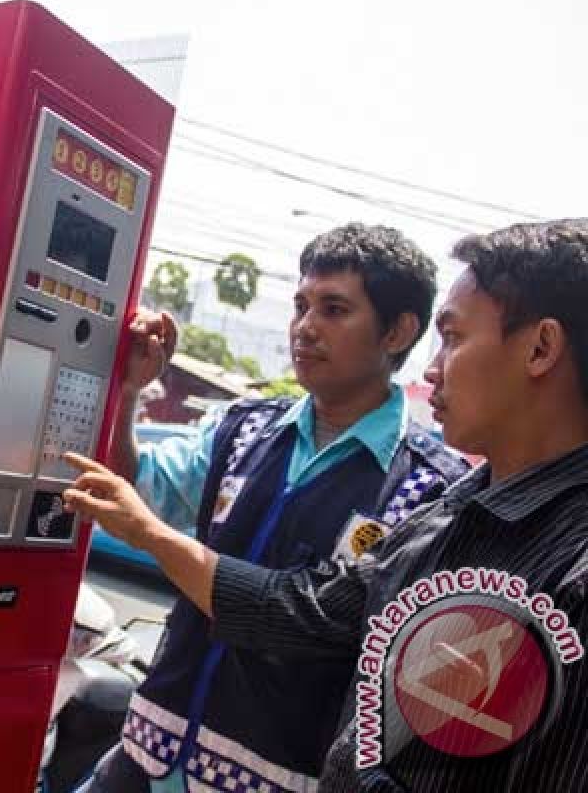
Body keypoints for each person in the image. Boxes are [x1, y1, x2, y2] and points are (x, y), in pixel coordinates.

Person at [65, 219, 588, 792]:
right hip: (147, 756)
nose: (305, 328)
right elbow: (305, 612)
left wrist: (152, 537)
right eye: (300, 305)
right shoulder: (446, 511)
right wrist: (128, 396)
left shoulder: (429, 487)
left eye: (334, 309)